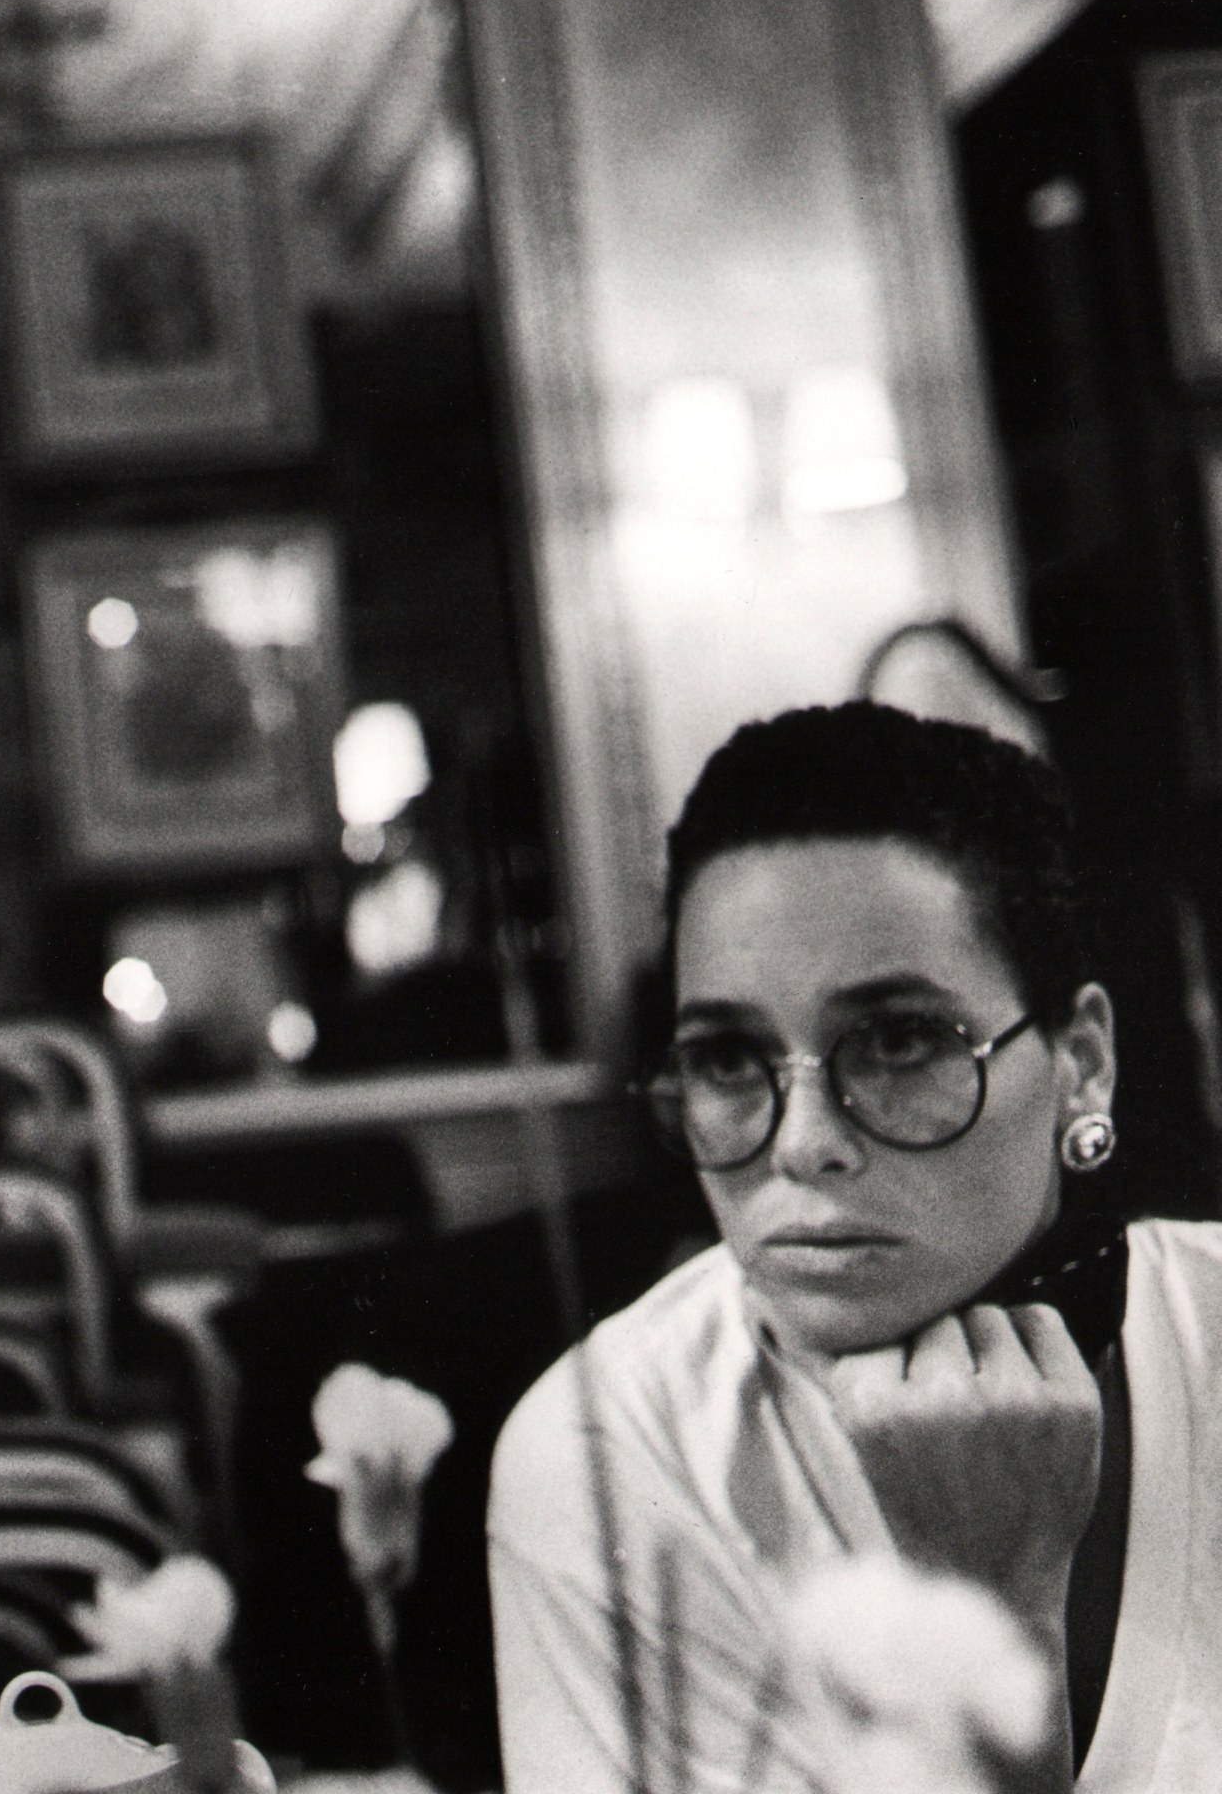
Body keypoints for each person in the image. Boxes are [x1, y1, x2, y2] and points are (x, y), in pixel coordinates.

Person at [487, 701, 1222, 1792]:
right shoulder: (607, 1450)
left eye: (896, 1039)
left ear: (1080, 1064)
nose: (805, 1147)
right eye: (730, 1058)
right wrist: (994, 1608)